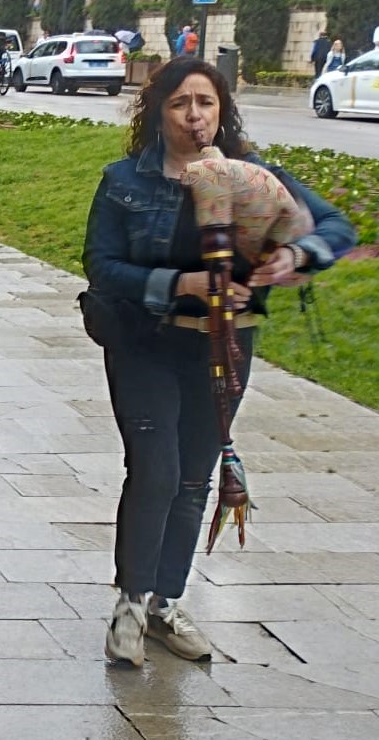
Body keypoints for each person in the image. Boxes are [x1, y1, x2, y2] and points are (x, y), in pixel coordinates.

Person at [82, 58, 356, 668]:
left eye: (205, 103)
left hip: (224, 347)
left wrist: (295, 256)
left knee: (193, 479)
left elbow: (335, 228)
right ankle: (130, 604)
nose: (194, 116)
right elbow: (102, 265)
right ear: (158, 112)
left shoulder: (252, 175)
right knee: (155, 470)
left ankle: (165, 604)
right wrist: (179, 283)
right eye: (180, 103)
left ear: (222, 111)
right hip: (147, 342)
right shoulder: (126, 181)